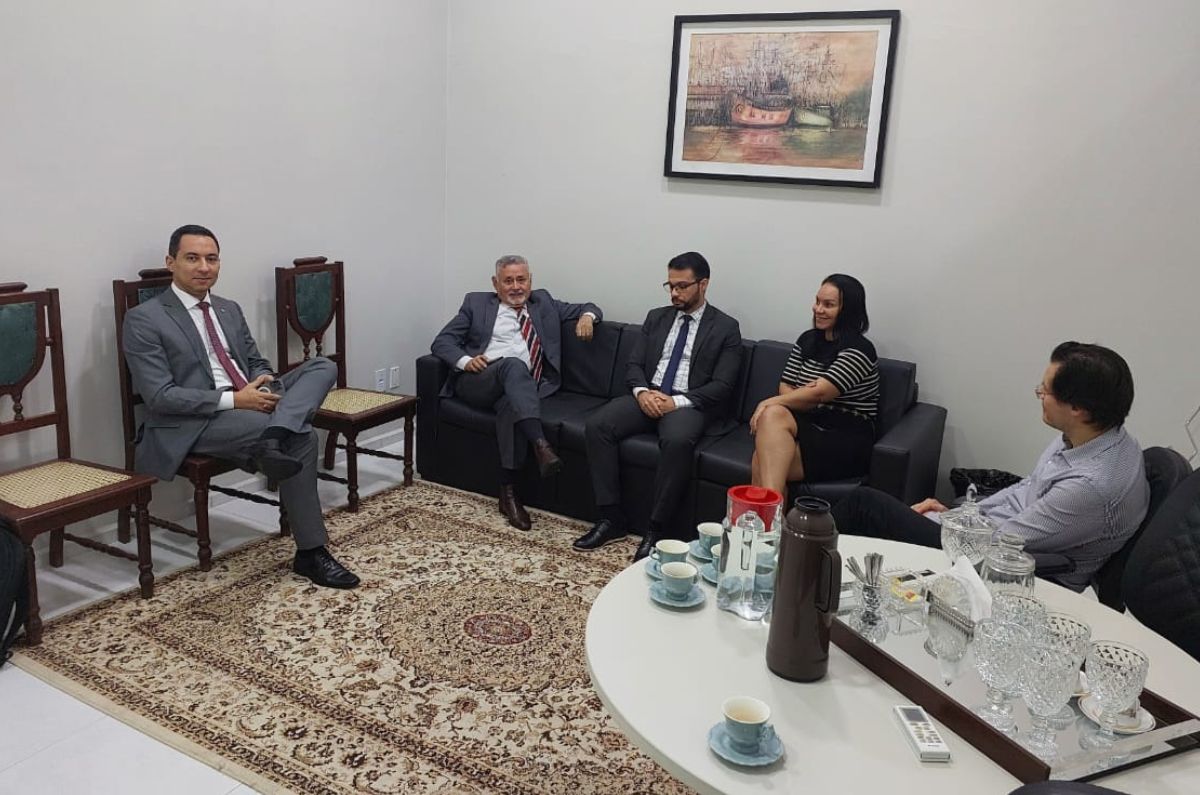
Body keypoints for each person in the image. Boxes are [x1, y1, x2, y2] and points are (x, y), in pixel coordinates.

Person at [123, 225, 359, 589]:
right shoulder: (144, 318)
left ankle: (276, 431)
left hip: (251, 399)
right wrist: (237, 400)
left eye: (212, 258)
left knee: (322, 367)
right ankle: (311, 553)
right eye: (192, 258)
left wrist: (263, 384)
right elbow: (160, 397)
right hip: (197, 419)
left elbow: (255, 360)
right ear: (171, 262)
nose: (204, 267)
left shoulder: (228, 309)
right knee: (303, 437)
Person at [831, 342, 1149, 590]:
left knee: (865, 507)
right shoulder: (1096, 437)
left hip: (1011, 571)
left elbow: (1005, 542)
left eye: (1046, 390)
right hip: (989, 534)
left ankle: (810, 580)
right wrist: (959, 515)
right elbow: (1025, 489)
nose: (1039, 395)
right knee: (879, 518)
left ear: (1078, 407)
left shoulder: (1090, 486)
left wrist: (951, 526)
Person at [574, 252, 743, 561]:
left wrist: (674, 402)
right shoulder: (656, 317)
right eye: (670, 286)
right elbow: (634, 365)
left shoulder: (726, 328)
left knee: (677, 441)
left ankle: (656, 529)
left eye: (682, 286)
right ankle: (611, 518)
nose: (674, 293)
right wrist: (642, 394)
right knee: (598, 425)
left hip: (688, 404)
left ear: (703, 284)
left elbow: (722, 386)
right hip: (648, 395)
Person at [431, 255, 602, 530]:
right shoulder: (476, 304)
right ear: (495, 283)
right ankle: (540, 444)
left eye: (521, 280)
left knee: (513, 405)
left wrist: (587, 318)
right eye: (508, 281)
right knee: (512, 364)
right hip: (479, 380)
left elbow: (590, 306)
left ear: (530, 281)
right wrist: (466, 361)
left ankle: (508, 493)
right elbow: (442, 341)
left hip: (523, 388)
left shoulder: (544, 302)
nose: (516, 287)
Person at [749, 274, 879, 497]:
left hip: (845, 435)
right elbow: (786, 385)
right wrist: (804, 396)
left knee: (762, 457)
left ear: (848, 310)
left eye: (828, 305)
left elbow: (820, 393)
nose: (818, 309)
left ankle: (767, 513)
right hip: (808, 425)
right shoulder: (807, 340)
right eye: (817, 302)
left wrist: (769, 402)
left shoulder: (860, 349)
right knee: (774, 417)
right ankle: (773, 514)